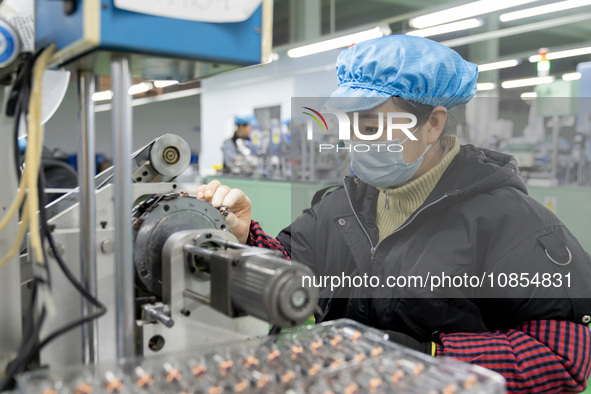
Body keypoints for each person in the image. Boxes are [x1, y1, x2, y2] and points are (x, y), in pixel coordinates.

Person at [198, 35, 591, 393]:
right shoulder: (339, 208)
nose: (354, 140)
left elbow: (563, 355)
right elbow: (295, 273)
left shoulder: (511, 222)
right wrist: (245, 236)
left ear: (433, 124)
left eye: (370, 126)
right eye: (350, 125)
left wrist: (431, 357)